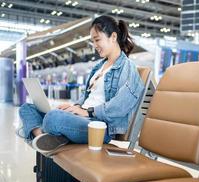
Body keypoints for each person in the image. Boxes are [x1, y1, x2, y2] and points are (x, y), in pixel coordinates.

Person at [18, 15, 145, 154]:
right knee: (26, 108)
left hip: (100, 126)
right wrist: (75, 107)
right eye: (93, 41)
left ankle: (40, 133)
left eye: (97, 40)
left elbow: (121, 106)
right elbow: (87, 97)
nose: (94, 45)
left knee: (52, 118)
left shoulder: (127, 67)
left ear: (113, 37)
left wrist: (88, 112)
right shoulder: (98, 67)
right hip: (81, 119)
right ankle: (44, 138)